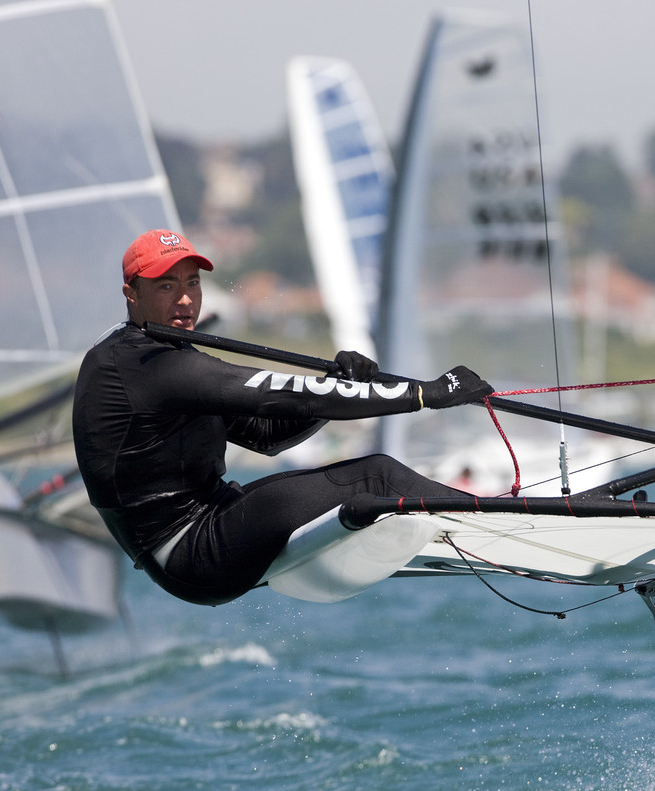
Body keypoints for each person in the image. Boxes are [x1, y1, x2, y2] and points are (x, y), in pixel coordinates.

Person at [73, 229, 490, 606]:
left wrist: (334, 381)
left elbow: (264, 436)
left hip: (209, 530)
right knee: (375, 477)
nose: (184, 299)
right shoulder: (140, 363)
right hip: (191, 552)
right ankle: (503, 526)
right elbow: (281, 395)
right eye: (166, 286)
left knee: (371, 481)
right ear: (132, 293)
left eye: (192, 283)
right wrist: (427, 394)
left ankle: (490, 526)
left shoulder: (165, 355)